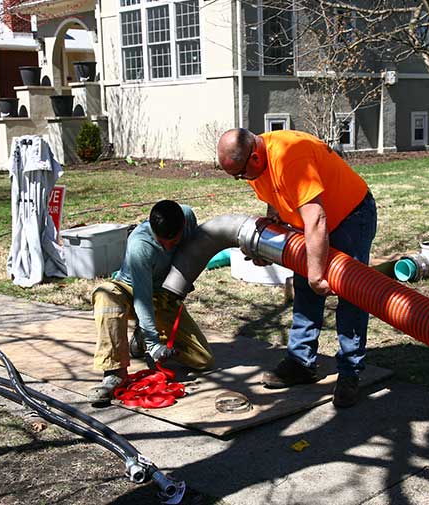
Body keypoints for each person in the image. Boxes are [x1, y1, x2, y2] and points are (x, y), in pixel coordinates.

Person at [216, 128, 377, 408]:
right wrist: (269, 238)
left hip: (351, 215)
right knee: (304, 288)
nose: (241, 180)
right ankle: (301, 362)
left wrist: (317, 274)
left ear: (254, 157)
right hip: (315, 222)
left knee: (351, 293)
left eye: (240, 174)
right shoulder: (258, 160)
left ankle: (350, 372)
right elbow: (274, 197)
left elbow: (316, 220)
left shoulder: (291, 156)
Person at [88, 200, 214, 404]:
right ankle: (114, 373)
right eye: (162, 241)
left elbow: (195, 252)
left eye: (172, 242)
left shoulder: (188, 217)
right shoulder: (140, 245)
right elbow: (142, 298)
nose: (167, 246)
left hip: (164, 293)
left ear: (183, 225)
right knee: (105, 295)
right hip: (131, 291)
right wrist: (154, 344)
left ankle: (142, 335)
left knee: (203, 360)